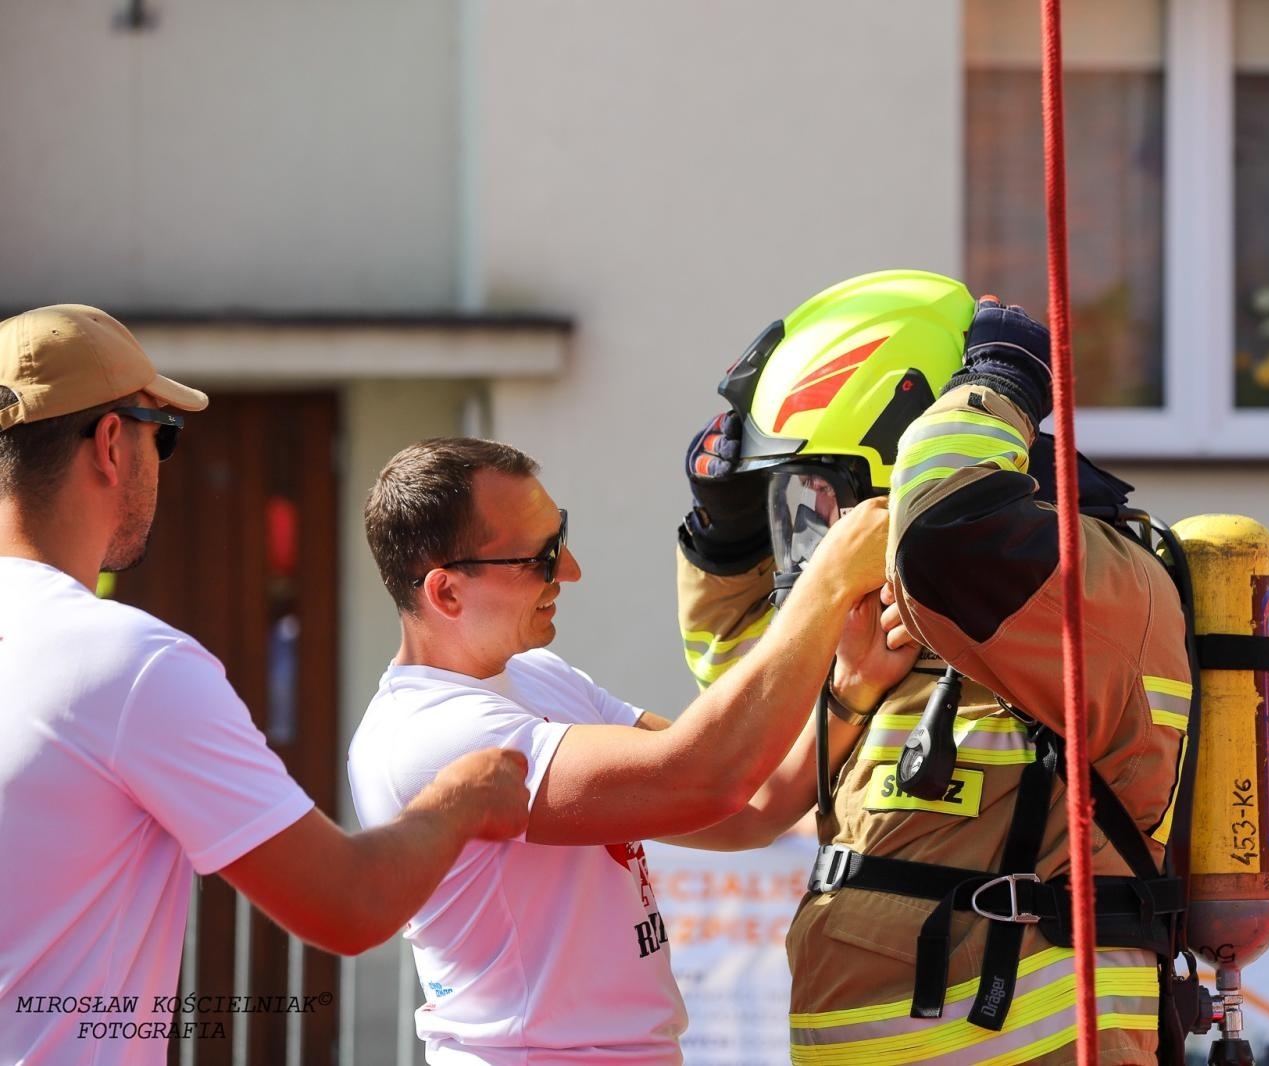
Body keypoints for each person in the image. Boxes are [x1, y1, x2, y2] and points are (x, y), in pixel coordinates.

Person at [674, 270, 1192, 1064]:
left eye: (822, 494)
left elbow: (949, 534)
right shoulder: (883, 631)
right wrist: (726, 540)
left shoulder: (1082, 575)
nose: (817, 533)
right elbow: (741, 690)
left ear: (901, 467)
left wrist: (998, 387)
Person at [0, 305, 533, 1064]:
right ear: (112, 443)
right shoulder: (127, 663)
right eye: (165, 435)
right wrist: (463, 795)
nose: (162, 460)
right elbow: (349, 905)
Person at [346, 436, 902, 1065]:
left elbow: (748, 807)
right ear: (446, 593)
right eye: (540, 556)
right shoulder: (428, 734)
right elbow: (699, 776)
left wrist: (852, 691)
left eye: (561, 535)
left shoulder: (539, 675)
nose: (571, 569)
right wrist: (826, 583)